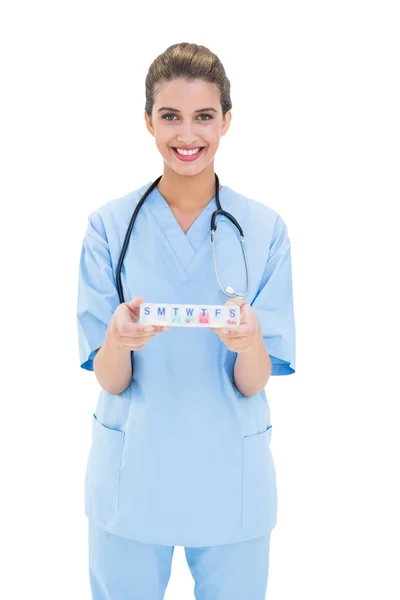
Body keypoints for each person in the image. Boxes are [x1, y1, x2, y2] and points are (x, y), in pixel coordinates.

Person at [77, 42, 296, 600]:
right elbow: (111, 379)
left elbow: (254, 379)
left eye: (203, 116)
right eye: (170, 116)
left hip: (230, 480)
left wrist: (248, 342)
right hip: (134, 478)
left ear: (226, 121)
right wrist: (118, 340)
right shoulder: (109, 227)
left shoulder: (264, 230)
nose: (187, 135)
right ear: (148, 121)